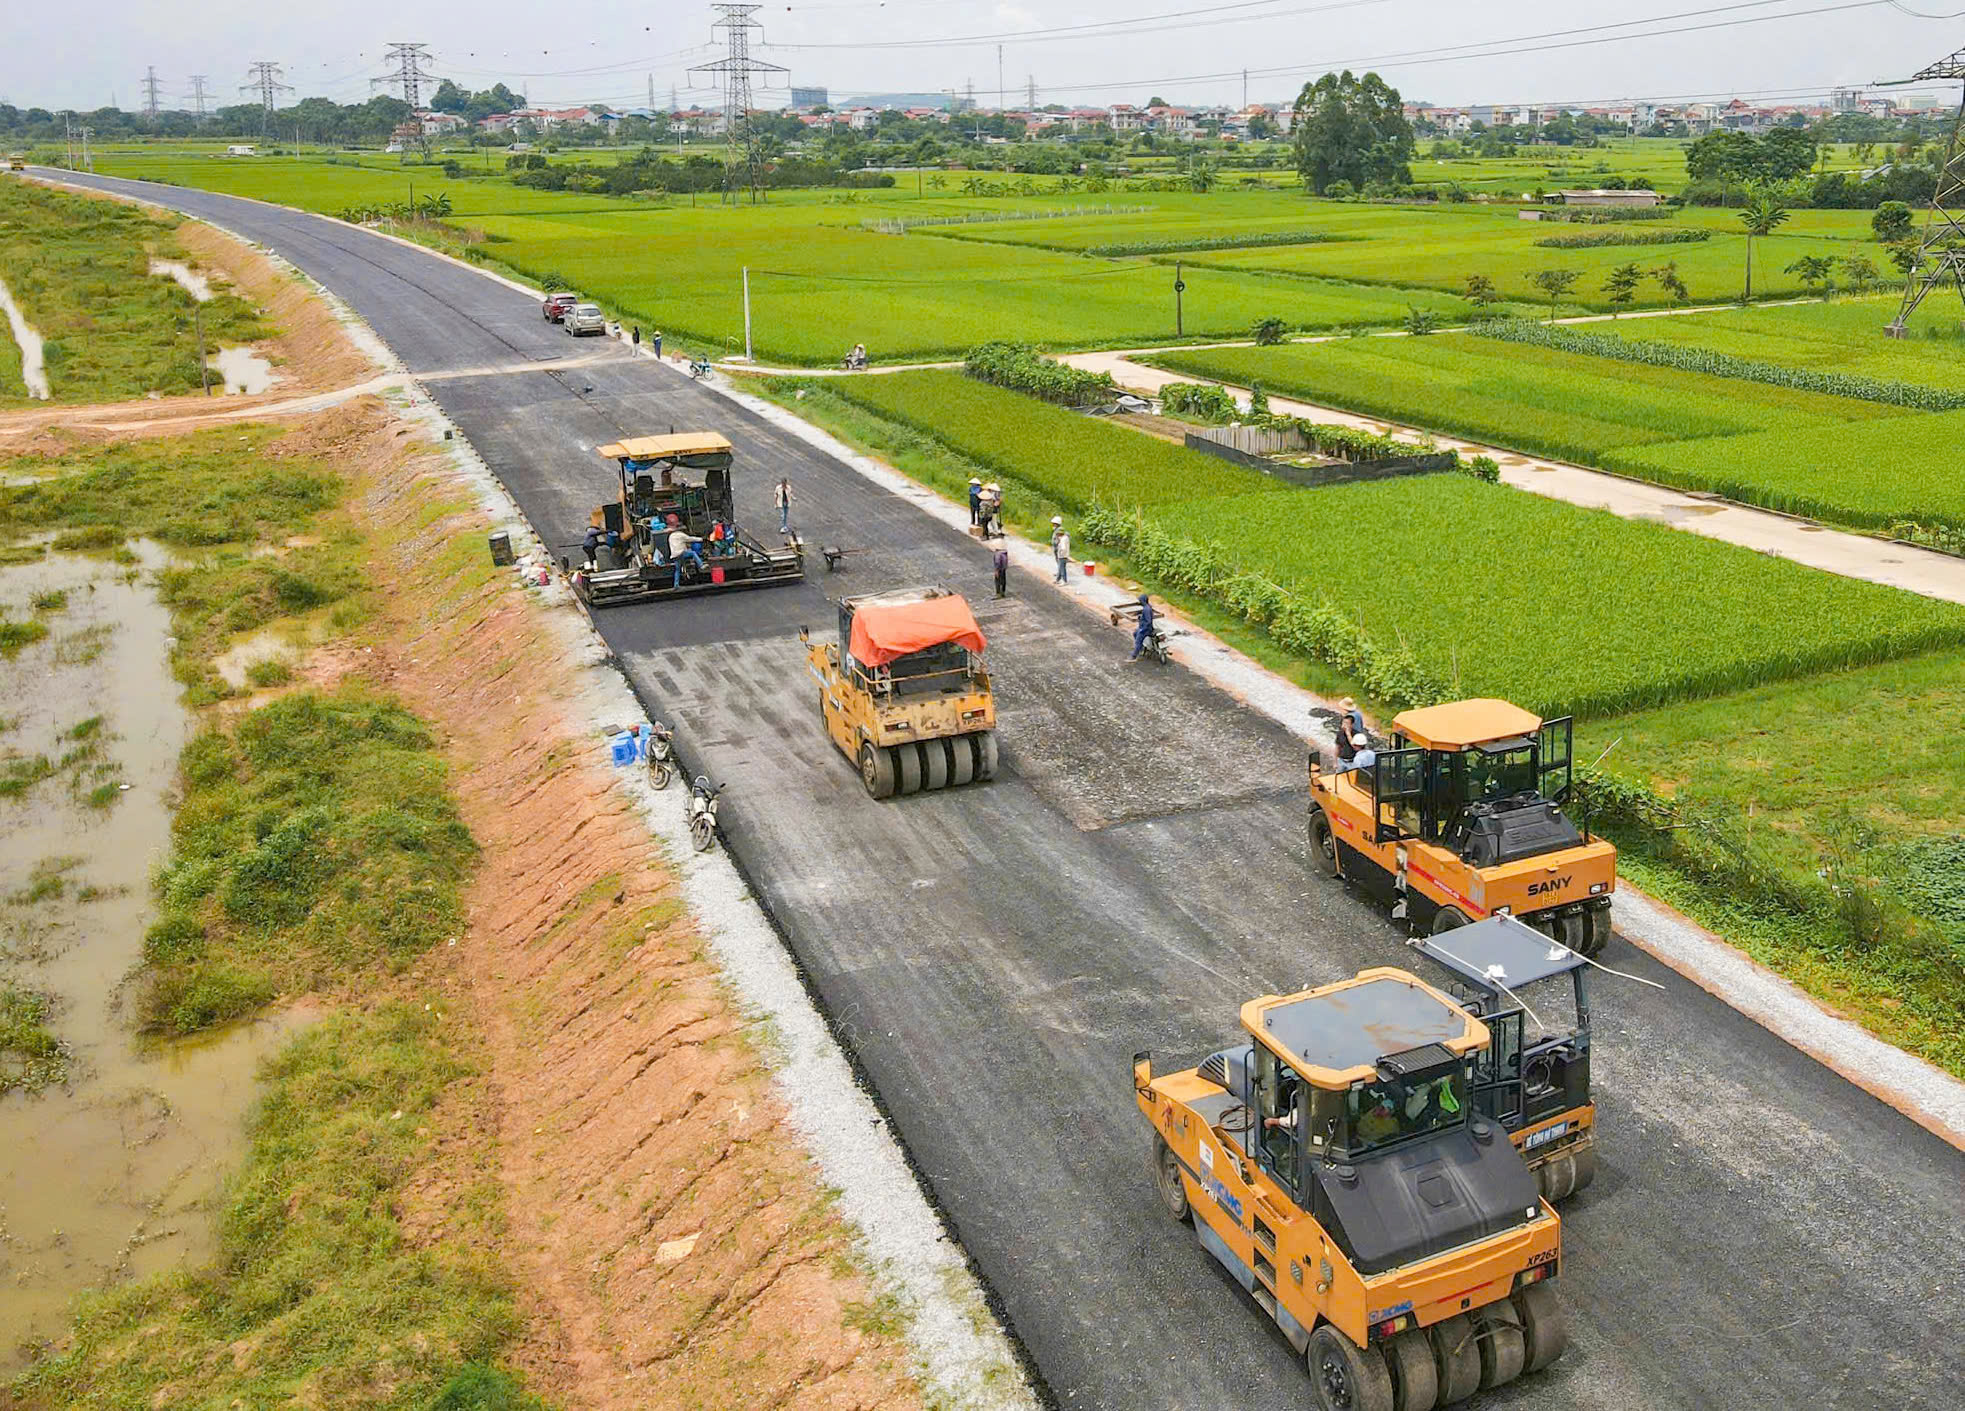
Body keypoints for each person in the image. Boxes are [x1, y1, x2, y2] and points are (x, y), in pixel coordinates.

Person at [1128, 593, 1157, 661]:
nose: (1139, 602)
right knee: (1135, 633)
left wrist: (1142, 629)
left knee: (1138, 640)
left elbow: (1148, 621)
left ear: (1143, 601)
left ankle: (1133, 656)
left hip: (1145, 629)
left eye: (1140, 600)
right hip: (1144, 627)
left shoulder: (1146, 609)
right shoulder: (1148, 607)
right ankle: (1141, 649)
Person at [1052, 518, 1070, 583]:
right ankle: (1057, 579)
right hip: (1060, 553)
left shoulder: (1063, 538)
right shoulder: (1057, 532)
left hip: (1062, 555)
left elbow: (1063, 548)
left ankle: (1064, 581)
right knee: (1060, 567)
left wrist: (1061, 553)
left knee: (1062, 568)